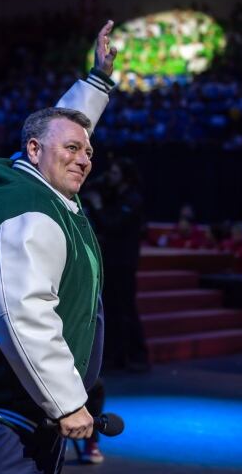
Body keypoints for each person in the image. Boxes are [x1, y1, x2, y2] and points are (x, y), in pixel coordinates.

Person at [0, 20, 116, 473]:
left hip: (22, 396)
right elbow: (23, 316)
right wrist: (65, 403)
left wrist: (96, 83)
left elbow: (59, 129)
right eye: (75, 151)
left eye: (89, 153)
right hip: (10, 403)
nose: (84, 159)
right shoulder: (28, 213)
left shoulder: (15, 171)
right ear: (35, 150)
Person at [85, 157, 149, 372]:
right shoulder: (115, 197)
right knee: (112, 309)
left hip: (123, 261)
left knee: (125, 309)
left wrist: (97, 206)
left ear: (125, 176)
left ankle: (137, 356)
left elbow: (112, 224)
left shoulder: (132, 199)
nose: (109, 177)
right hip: (111, 260)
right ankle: (117, 356)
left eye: (114, 173)